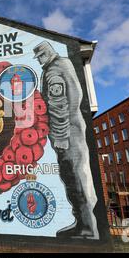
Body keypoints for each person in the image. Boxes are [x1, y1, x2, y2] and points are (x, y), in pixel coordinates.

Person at [34, 41, 99, 239]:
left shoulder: (54, 70)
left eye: (40, 57)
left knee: (74, 178)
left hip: (67, 134)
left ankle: (87, 228)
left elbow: (58, 106)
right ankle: (84, 224)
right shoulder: (64, 63)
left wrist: (61, 137)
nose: (39, 62)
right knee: (78, 176)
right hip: (75, 131)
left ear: (47, 54)